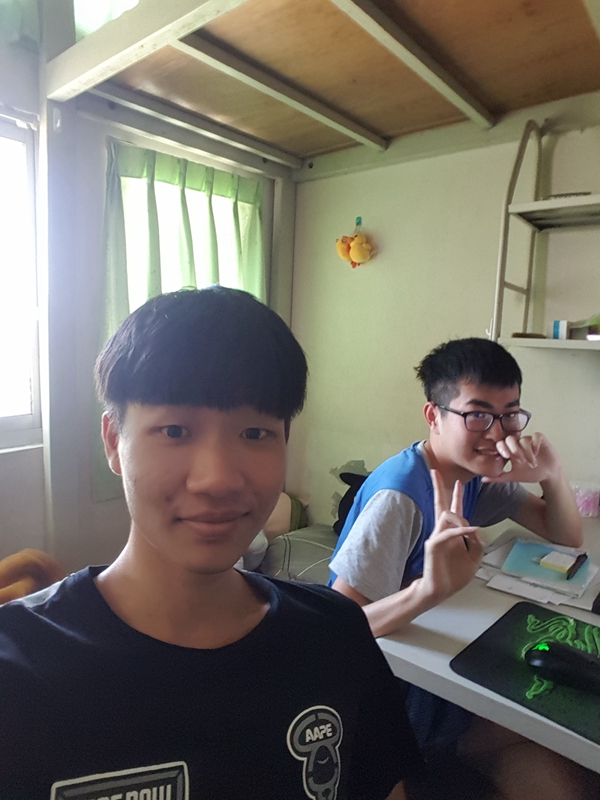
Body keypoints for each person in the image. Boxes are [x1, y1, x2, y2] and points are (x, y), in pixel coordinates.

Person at [0, 287, 422, 800]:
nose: (218, 479)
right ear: (113, 442)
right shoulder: (16, 671)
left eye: (255, 434)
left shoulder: (337, 637)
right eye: (175, 430)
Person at [329, 337, 598, 800]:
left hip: (437, 659)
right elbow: (336, 629)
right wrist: (427, 592)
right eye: (477, 415)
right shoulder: (399, 497)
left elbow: (564, 535)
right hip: (392, 691)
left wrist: (553, 475)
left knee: (567, 755)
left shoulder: (473, 475)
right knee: (557, 742)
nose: (497, 433)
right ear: (433, 416)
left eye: (510, 414)